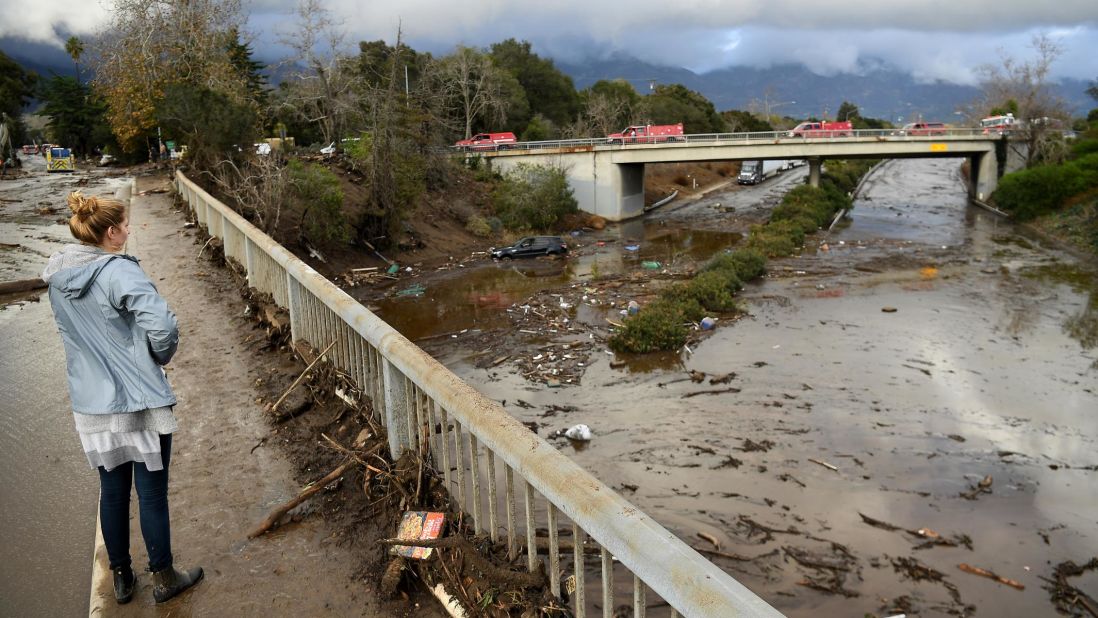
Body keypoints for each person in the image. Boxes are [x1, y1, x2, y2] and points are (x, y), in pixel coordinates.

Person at [42, 191, 203, 605]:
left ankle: (121, 578)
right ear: (111, 233)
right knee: (151, 493)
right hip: (137, 401)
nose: (130, 231)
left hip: (90, 406)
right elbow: (164, 327)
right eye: (126, 225)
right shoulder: (119, 271)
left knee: (111, 492)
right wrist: (155, 358)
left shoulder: (58, 280)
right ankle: (165, 577)